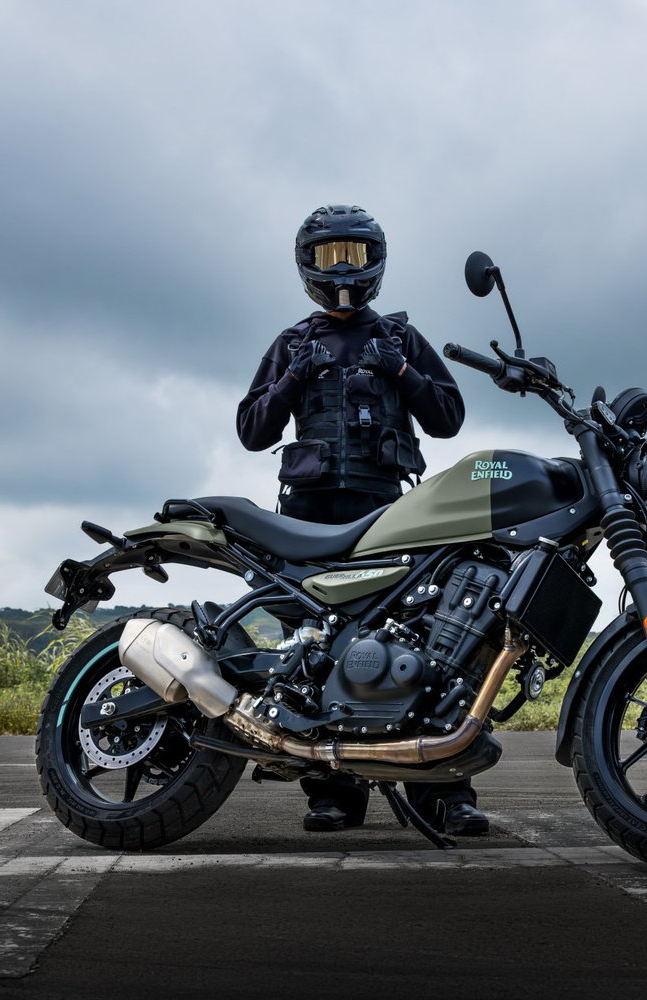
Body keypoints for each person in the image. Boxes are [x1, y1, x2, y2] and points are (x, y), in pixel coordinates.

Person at [236, 204, 489, 837]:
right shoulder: (292, 342)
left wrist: (397, 369)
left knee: (421, 641)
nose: (343, 267)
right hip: (309, 516)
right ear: (307, 264)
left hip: (388, 512)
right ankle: (334, 791)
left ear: (377, 258)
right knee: (316, 649)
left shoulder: (402, 339)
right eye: (329, 255)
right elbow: (251, 429)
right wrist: (296, 375)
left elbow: (449, 419)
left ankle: (444, 791)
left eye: (353, 252)